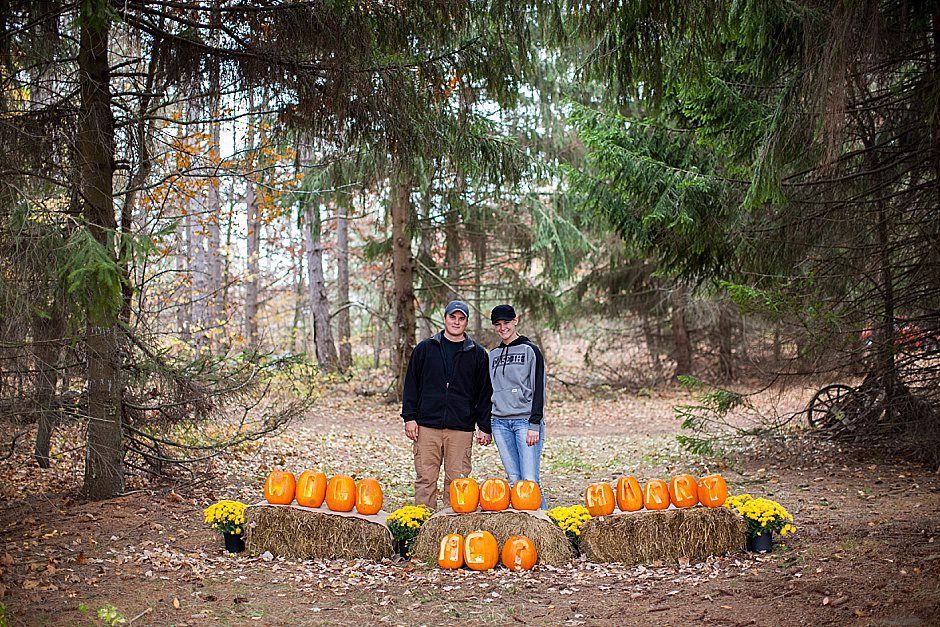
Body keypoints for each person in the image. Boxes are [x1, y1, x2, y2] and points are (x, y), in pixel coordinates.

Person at [401, 300, 493, 509]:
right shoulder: (425, 349)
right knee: (425, 478)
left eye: (461, 319)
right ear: (445, 319)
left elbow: (484, 393)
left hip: (461, 428)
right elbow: (411, 385)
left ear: (466, 322)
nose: (456, 322)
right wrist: (409, 418)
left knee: (458, 481)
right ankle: (423, 520)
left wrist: (484, 426)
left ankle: (451, 522)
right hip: (427, 426)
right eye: (453, 317)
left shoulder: (478, 354)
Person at [488, 304, 548, 509]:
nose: (502, 328)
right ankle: (523, 525)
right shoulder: (493, 355)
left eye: (506, 322)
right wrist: (485, 424)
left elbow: (539, 388)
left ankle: (544, 523)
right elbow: (489, 390)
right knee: (514, 480)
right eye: (497, 324)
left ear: (516, 320)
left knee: (530, 481)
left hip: (525, 422)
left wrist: (534, 424)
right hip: (499, 423)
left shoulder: (531, 351)